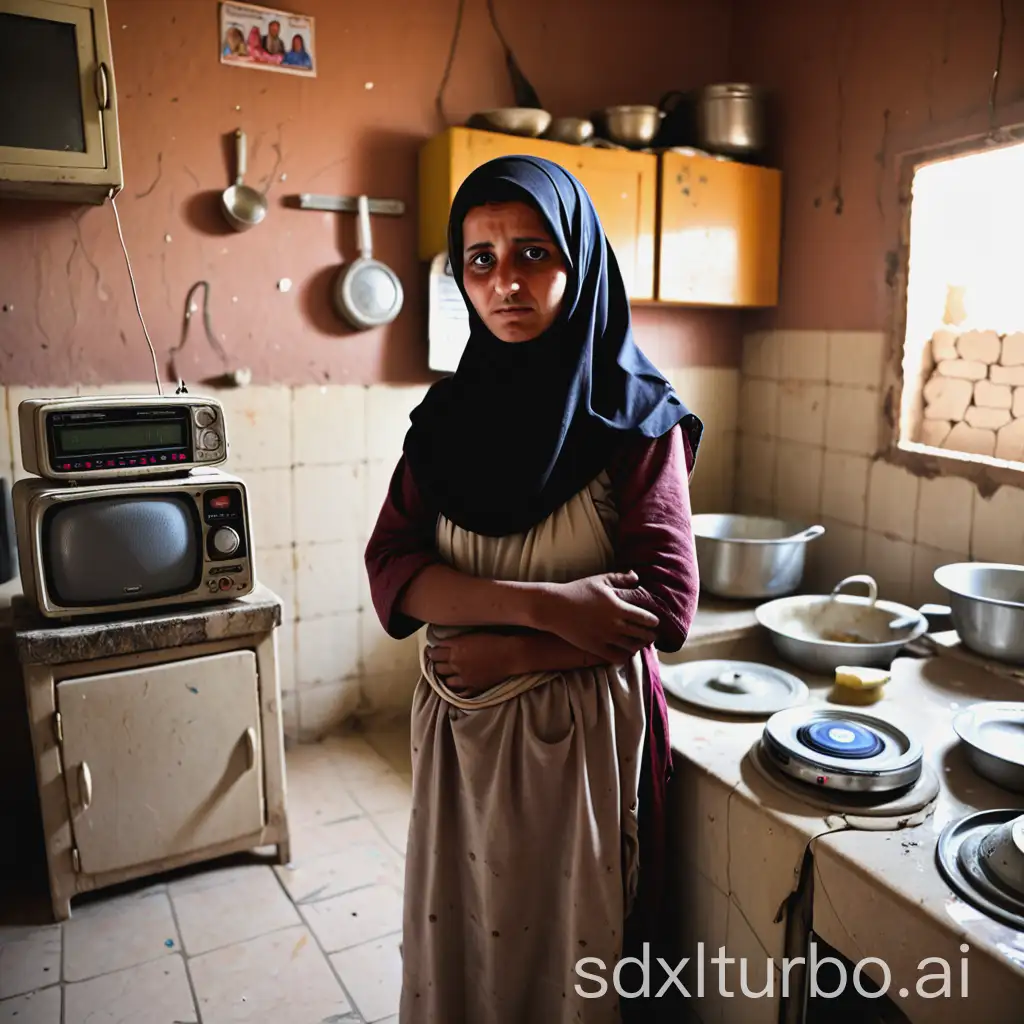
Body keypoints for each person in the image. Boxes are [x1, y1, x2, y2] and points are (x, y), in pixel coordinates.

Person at [364, 155, 702, 1024]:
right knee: (468, 926)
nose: (505, 282)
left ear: (579, 261)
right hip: (463, 739)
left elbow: (665, 604)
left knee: (567, 946)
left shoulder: (636, 419)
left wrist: (517, 650)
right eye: (480, 259)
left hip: (581, 740)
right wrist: (544, 605)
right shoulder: (444, 425)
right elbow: (393, 565)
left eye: (533, 254)